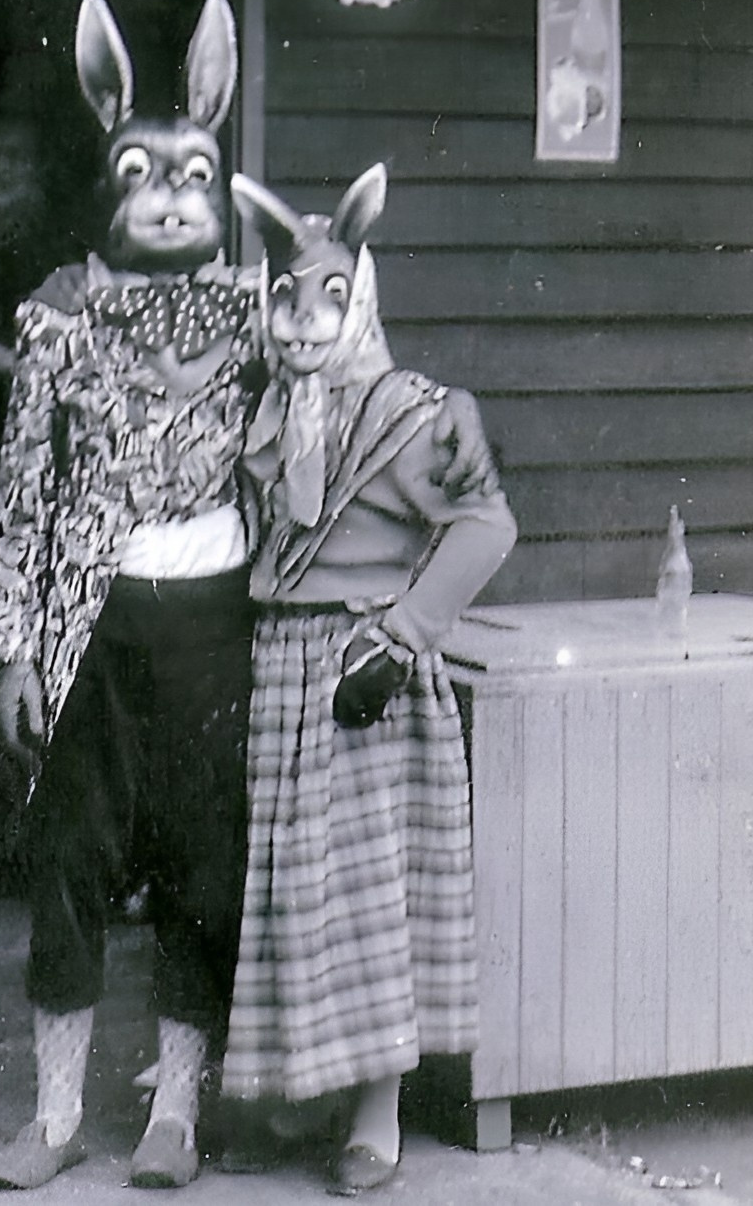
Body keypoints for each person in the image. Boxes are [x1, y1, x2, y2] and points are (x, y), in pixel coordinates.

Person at [0, 0, 496, 1193]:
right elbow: (21, 491)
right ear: (106, 185)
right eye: (140, 175)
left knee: (205, 863)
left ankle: (176, 1114)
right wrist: (13, 646)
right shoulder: (57, 319)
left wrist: (445, 414)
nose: (170, 199)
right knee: (70, 858)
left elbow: (344, 363)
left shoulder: (256, 315)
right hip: (86, 623)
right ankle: (55, 1115)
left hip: (219, 622)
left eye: (195, 176)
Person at [220, 165, 516, 1197]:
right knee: (291, 890)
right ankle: (299, 1093)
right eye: (287, 298)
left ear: (361, 299)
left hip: (362, 671)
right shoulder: (266, 408)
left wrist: (401, 636)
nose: (304, 320)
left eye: (329, 297)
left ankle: (375, 1113)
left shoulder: (412, 413)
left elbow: (486, 526)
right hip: (279, 666)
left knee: (366, 894)